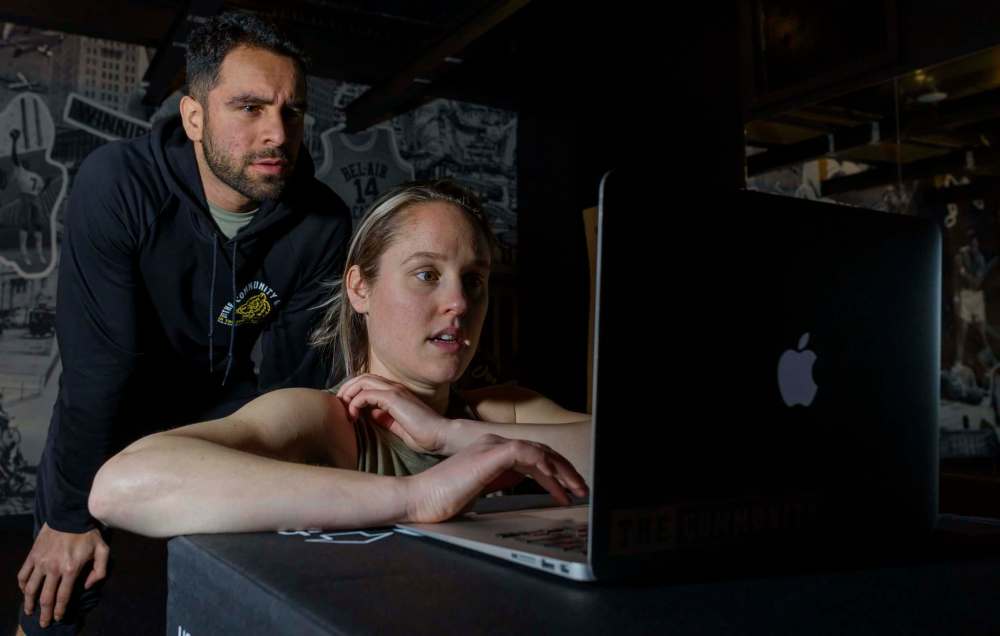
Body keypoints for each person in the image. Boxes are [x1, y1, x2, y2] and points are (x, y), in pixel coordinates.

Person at [17, 12, 351, 634]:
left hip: (223, 417)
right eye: (249, 108)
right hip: (110, 413)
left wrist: (299, 501)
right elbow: (99, 366)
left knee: (253, 591)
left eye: (293, 112)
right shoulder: (117, 184)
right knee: (57, 597)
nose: (278, 133)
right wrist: (68, 517)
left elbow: (294, 381)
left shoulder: (322, 223)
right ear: (194, 117)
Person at [86, 180, 590, 540]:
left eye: (474, 280)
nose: (459, 302)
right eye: (426, 275)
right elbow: (121, 487)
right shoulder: (328, 419)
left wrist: (450, 435)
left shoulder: (502, 413)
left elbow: (648, 462)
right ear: (360, 289)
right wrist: (416, 497)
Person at [9, 128, 47, 266]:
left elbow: (42, 186)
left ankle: (39, 252)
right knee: (25, 224)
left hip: (34, 197)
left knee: (38, 225)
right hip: (27, 197)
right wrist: (14, 142)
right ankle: (24, 252)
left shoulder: (34, 175)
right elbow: (14, 157)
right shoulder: (21, 171)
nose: (23, 163)